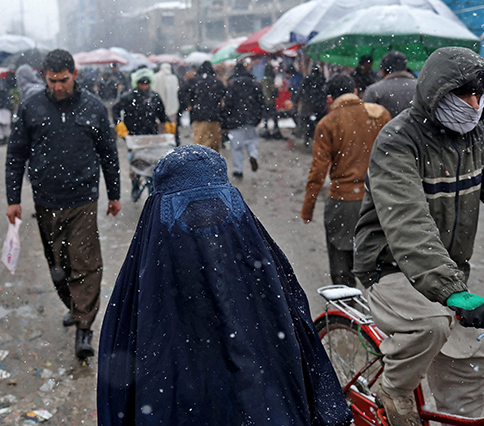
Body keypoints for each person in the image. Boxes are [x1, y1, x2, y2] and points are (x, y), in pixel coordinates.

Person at [97, 144, 352, 426]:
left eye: (214, 208)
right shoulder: (260, 262)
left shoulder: (145, 279)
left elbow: (120, 380)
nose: (205, 222)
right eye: (189, 211)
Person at [353, 47, 484, 426]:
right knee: (430, 323)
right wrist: (450, 289)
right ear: (437, 92)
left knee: (473, 372)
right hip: (390, 266)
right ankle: (393, 390)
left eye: (480, 95)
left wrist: (450, 284)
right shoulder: (398, 140)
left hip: (446, 271)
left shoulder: (479, 133)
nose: (474, 104)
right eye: (465, 93)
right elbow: (408, 224)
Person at [5, 49, 120, 360]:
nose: (57, 87)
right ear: (44, 76)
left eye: (64, 80)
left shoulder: (94, 108)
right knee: (58, 264)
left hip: (83, 197)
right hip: (46, 199)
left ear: (75, 75)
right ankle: (75, 305)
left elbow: (109, 153)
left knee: (85, 260)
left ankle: (84, 327)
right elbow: (16, 155)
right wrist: (13, 199)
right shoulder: (30, 108)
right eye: (52, 80)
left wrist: (114, 193)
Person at [300, 74, 390, 287]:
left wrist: (307, 208)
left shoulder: (327, 123)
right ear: (356, 91)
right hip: (377, 201)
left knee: (341, 269)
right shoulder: (380, 115)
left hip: (342, 204)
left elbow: (318, 171)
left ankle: (348, 313)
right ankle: (378, 314)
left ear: (330, 99)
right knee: (378, 266)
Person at [223, 62, 264, 179]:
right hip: (251, 120)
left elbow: (228, 104)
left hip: (235, 121)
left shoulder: (232, 84)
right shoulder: (255, 84)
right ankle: (253, 155)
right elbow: (261, 103)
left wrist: (226, 119)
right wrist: (257, 117)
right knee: (252, 142)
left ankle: (238, 170)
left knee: (236, 147)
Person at [179, 61, 225, 152]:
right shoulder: (217, 82)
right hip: (215, 116)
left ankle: (201, 161)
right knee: (214, 143)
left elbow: (181, 92)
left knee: (200, 142)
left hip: (198, 115)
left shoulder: (194, 81)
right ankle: (214, 162)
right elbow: (224, 96)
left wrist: (187, 105)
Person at [112, 69, 169, 137]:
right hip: (133, 131)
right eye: (142, 84)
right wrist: (119, 123)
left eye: (146, 84)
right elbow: (115, 109)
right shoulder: (128, 97)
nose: (144, 87)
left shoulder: (154, 97)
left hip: (150, 131)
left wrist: (167, 122)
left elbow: (161, 112)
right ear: (137, 84)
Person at [363, 51, 417, 118]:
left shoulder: (374, 90)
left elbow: (365, 116)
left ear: (383, 71)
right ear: (405, 68)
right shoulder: (419, 87)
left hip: (385, 128)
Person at [294, 64, 327, 146]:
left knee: (306, 122)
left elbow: (301, 89)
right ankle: (318, 138)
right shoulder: (322, 79)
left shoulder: (307, 78)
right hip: (319, 105)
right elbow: (325, 90)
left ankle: (307, 137)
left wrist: (295, 100)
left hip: (308, 104)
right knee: (319, 123)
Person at [259, 63, 281, 139]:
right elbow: (273, 90)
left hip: (265, 101)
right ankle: (275, 129)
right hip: (271, 101)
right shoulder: (270, 80)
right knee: (274, 116)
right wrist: (276, 90)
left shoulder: (262, 80)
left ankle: (266, 129)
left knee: (266, 116)